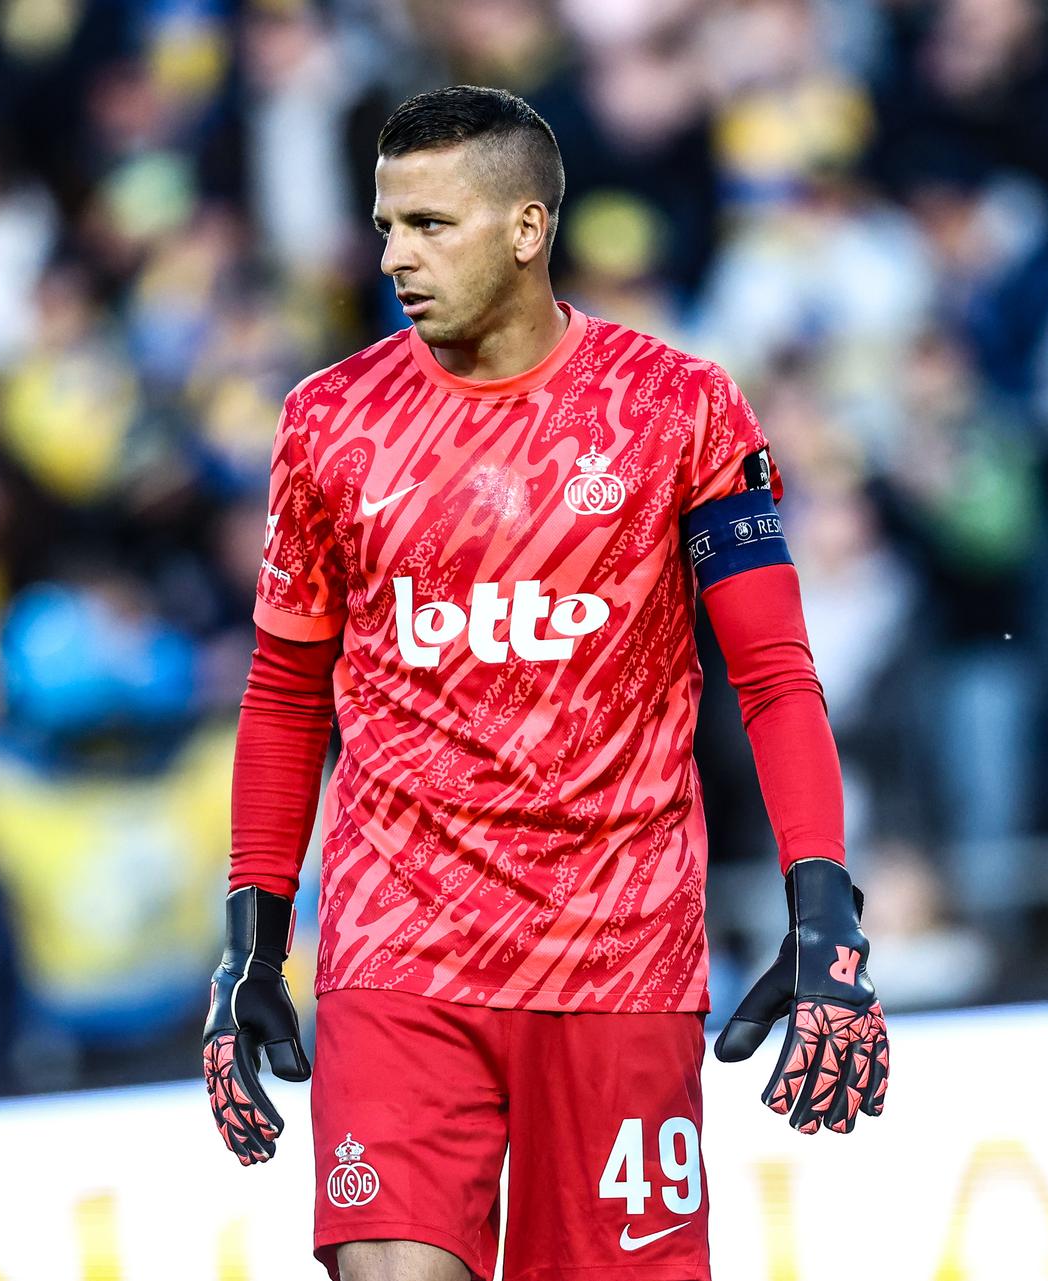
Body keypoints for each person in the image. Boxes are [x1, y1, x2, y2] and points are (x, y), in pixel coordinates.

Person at [201, 86, 889, 1281]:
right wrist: (252, 942)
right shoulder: (328, 423)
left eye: (431, 225)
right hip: (398, 946)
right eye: (385, 226)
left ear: (528, 228)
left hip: (617, 949)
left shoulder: (677, 409)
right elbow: (283, 695)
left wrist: (823, 911)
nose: (395, 257)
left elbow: (774, 676)